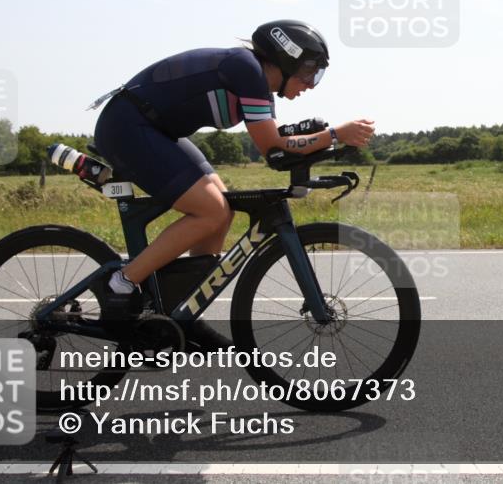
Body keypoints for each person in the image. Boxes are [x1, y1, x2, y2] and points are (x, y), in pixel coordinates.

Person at [89, 20, 375, 331]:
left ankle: (182, 310)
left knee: (221, 212)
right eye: (309, 71)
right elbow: (271, 146)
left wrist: (328, 142)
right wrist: (335, 134)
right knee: (211, 210)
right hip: (128, 127)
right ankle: (120, 283)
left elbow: (278, 150)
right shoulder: (246, 70)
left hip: (154, 130)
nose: (311, 83)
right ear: (286, 59)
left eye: (317, 75)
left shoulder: (261, 90)